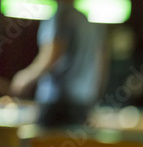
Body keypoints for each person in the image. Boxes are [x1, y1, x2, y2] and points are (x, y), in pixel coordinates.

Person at [9, 0, 106, 128]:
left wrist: (24, 79)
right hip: (83, 102)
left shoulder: (61, 14)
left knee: (43, 146)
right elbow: (101, 63)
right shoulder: (88, 21)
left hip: (57, 104)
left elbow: (52, 56)